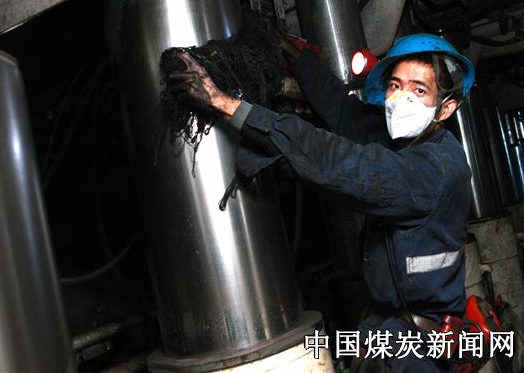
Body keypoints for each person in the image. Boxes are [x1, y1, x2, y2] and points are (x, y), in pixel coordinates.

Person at [168, 33, 476, 372]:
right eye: (395, 85)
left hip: (420, 345)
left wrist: (226, 104)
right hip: (383, 325)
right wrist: (300, 62)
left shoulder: (437, 169)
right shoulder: (402, 141)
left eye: (419, 90)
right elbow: (343, 111)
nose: (402, 99)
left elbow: (342, 162)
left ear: (446, 108)